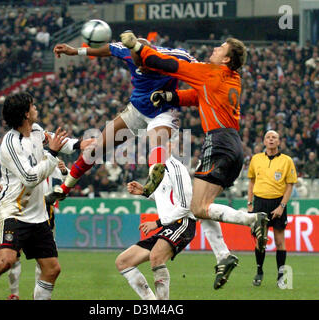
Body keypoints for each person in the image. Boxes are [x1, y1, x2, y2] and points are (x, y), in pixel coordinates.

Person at [119, 31, 269, 259]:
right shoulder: (231, 78)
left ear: (227, 59)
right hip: (234, 146)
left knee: (198, 208)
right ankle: (224, 256)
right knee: (202, 206)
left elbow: (168, 64)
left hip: (217, 142)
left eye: (220, 48)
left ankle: (251, 219)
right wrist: (170, 97)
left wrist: (138, 48)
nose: (215, 50)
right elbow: (198, 96)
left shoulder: (210, 72)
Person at [0, 92, 94, 300]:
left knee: (52, 269)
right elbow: (29, 177)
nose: (36, 108)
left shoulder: (36, 131)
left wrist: (83, 144)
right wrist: (52, 154)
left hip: (37, 214)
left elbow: (59, 142)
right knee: (6, 261)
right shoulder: (10, 144)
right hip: (14, 211)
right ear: (26, 114)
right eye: (33, 106)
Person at [45, 39, 197, 205]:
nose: (140, 68)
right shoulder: (126, 51)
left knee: (157, 139)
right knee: (96, 148)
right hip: (137, 109)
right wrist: (75, 51)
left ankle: (152, 179)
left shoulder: (174, 56)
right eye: (136, 64)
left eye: (143, 64)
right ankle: (64, 189)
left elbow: (201, 70)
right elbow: (108, 49)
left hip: (165, 110)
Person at [116, 141, 238, 300]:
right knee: (123, 262)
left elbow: (187, 205)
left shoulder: (177, 168)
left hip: (183, 222)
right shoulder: (156, 169)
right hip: (168, 226)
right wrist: (144, 192)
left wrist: (157, 223)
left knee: (156, 257)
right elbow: (165, 197)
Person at [0, 160, 69, 300]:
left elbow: (67, 184)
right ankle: (14, 294)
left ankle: (39, 294)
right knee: (13, 256)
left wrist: (64, 171)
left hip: (45, 212)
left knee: (45, 260)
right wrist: (0, 186)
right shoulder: (20, 156)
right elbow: (8, 180)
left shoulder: (51, 159)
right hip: (19, 209)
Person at [247, 130, 297, 289]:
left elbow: (290, 185)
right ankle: (259, 271)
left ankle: (281, 276)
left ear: (279, 141)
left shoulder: (287, 160)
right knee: (260, 241)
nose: (271, 139)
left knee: (279, 241)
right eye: (268, 137)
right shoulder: (256, 159)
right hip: (260, 203)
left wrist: (282, 206)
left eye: (274, 137)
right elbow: (251, 182)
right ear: (264, 141)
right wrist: (250, 204)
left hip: (278, 202)